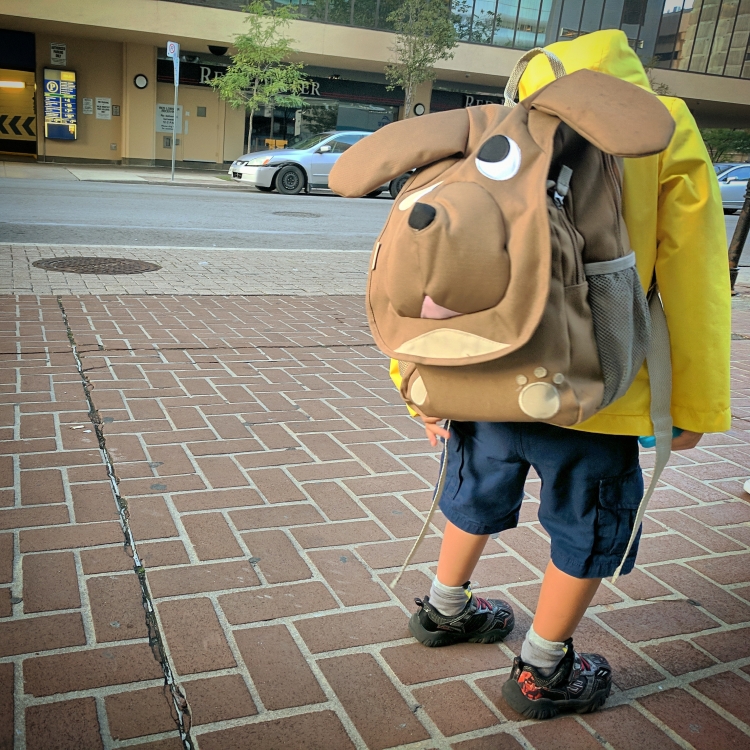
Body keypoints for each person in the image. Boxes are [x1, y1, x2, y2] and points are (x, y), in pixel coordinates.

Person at [392, 28, 731, 719]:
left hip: (484, 372)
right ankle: (543, 670)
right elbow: (696, 276)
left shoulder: (500, 120)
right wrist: (693, 402)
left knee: (473, 486)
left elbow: (432, 262)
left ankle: (444, 609)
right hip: (596, 386)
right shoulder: (660, 123)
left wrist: (415, 379)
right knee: (589, 522)